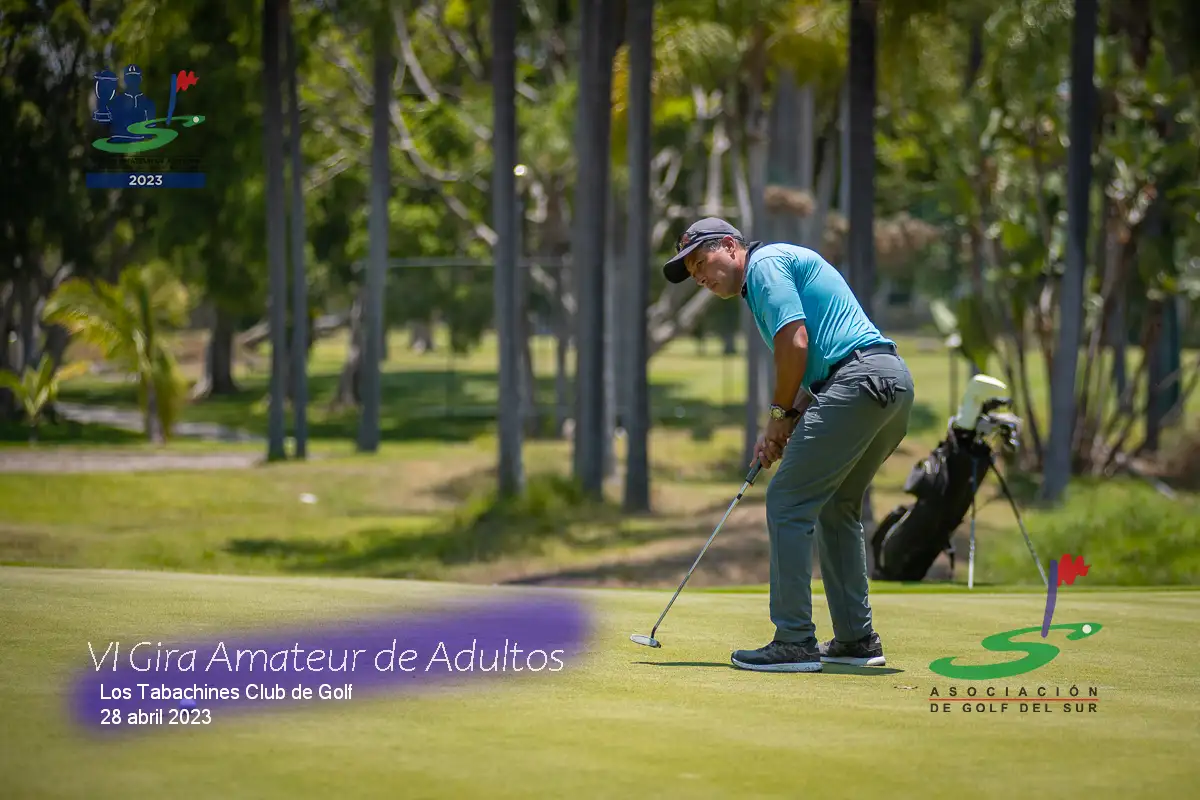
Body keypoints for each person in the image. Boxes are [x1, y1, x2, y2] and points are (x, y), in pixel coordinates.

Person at [662, 217, 915, 673]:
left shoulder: (764, 265)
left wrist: (778, 416)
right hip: (888, 383)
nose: (699, 276)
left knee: (787, 500)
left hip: (859, 382)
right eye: (693, 272)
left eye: (701, 262)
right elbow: (819, 365)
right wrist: (788, 417)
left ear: (730, 246)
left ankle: (794, 641)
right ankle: (857, 640)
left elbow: (794, 342)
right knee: (836, 505)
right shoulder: (768, 272)